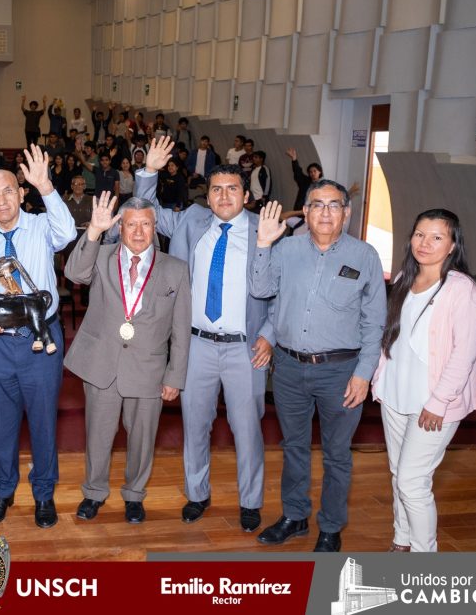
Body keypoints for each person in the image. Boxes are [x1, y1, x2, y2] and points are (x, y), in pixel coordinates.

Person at [135, 138, 276, 533]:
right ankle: (197, 494)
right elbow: (147, 212)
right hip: (195, 344)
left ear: (246, 195)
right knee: (194, 424)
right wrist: (149, 172)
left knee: (247, 429)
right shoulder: (191, 222)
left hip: (244, 349)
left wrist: (269, 333)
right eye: (217, 189)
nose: (224, 196)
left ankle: (250, 501)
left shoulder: (265, 231)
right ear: (208, 196)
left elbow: (284, 292)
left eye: (233, 188)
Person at [250, 184, 386, 552]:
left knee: (336, 453)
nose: (325, 213)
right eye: (317, 206)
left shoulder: (365, 256)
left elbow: (375, 323)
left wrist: (365, 372)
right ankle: (294, 516)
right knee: (293, 446)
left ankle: (330, 526)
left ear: (347, 212)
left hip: (341, 372)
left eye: (334, 206)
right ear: (306, 212)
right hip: (290, 368)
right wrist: (263, 243)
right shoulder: (286, 249)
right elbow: (261, 290)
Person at [0, 146, 77, 528]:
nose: (1, 199)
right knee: (4, 422)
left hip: (40, 342)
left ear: (21, 193)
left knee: (43, 422)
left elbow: (68, 231)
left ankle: (43, 494)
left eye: (8, 190)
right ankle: (2, 491)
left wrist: (46, 186)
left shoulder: (42, 227)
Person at [65, 193, 190, 523]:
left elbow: (180, 328)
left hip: (149, 370)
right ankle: (94, 492)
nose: (138, 232)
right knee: (98, 435)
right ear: (119, 227)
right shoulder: (102, 257)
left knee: (142, 439)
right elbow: (75, 273)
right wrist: (93, 230)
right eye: (131, 224)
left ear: (155, 227)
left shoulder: (176, 270)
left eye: (145, 224)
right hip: (102, 365)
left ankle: (134, 494)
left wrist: (175, 377)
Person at [372, 209, 476, 552]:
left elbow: (462, 355)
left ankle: (424, 559)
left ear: (452, 245)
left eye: (437, 237)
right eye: (420, 234)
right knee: (399, 476)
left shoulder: (462, 290)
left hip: (433, 402)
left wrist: (438, 403)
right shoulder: (406, 276)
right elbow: (392, 336)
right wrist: (379, 379)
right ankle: (401, 541)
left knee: (412, 482)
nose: (426, 243)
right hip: (395, 393)